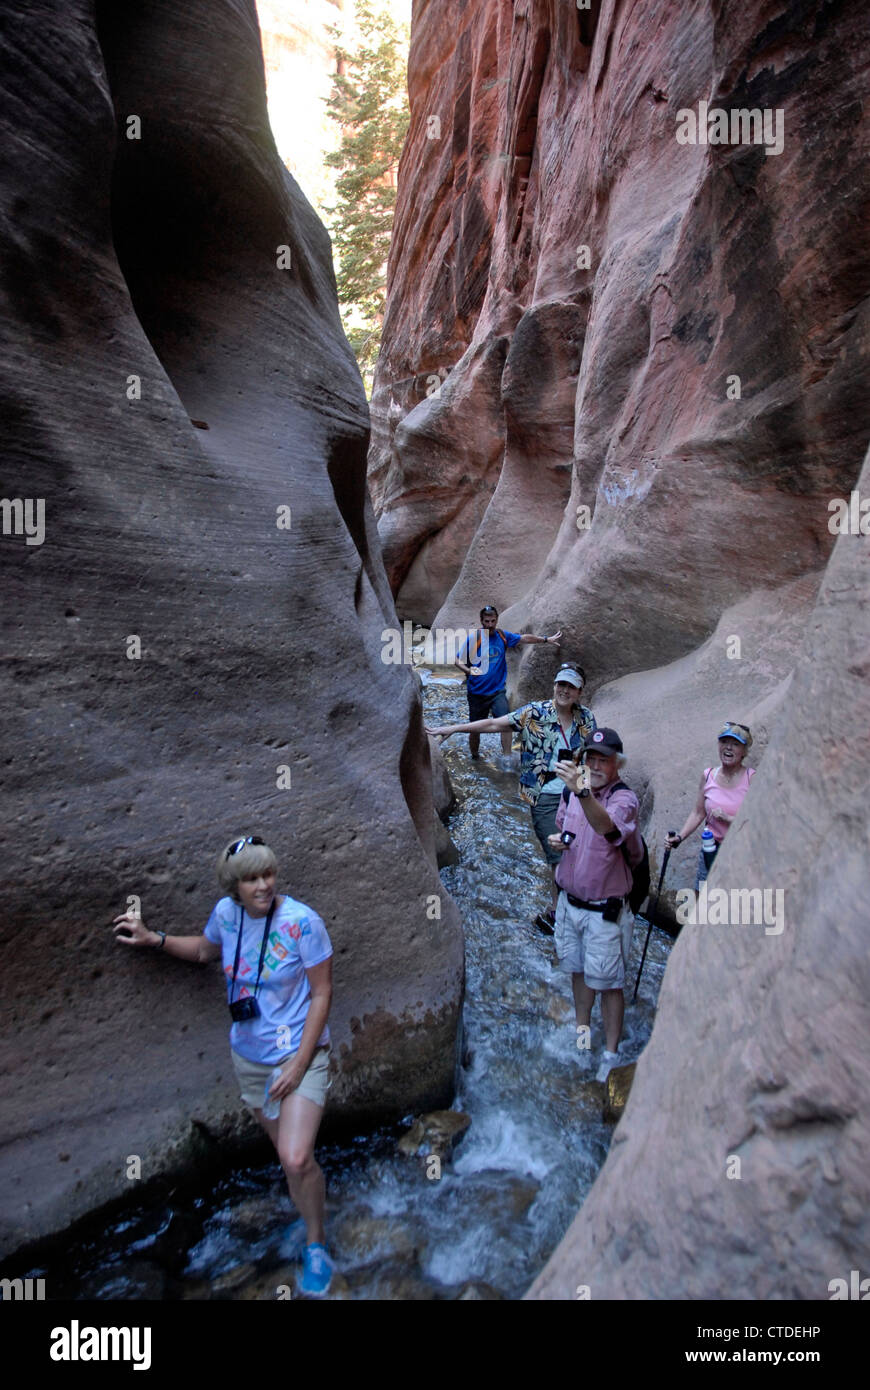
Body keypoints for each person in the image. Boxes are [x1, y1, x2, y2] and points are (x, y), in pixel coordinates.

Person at [112, 834, 336, 1297]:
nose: (264, 885)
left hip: (299, 1055)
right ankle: (307, 1215)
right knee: (288, 1160)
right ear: (234, 885)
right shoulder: (225, 916)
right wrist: (155, 939)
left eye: (268, 874)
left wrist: (298, 1064)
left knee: (297, 1157)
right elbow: (204, 952)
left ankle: (316, 1242)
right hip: (249, 1058)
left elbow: (322, 993)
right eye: (252, 878)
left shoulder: (303, 922)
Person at [428, 664, 596, 932]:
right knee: (557, 856)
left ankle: (573, 906)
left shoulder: (586, 718)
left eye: (570, 686)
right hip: (544, 796)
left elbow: (589, 758)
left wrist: (587, 792)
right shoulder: (535, 713)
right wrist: (454, 727)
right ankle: (557, 912)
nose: (564, 690)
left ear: (579, 691)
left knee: (575, 850)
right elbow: (495, 723)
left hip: (575, 794)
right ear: (554, 685)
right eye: (560, 684)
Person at [548, 728, 643, 1083]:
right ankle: (583, 1034)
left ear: (617, 763)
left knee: (609, 983)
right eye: (591, 758)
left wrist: (583, 791)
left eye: (604, 759)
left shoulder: (624, 799)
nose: (596, 765)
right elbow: (567, 829)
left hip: (605, 910)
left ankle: (611, 1053)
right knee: (578, 971)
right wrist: (560, 841)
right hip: (570, 904)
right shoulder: (571, 794)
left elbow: (606, 828)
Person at [454, 604, 562, 758]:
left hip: (497, 691)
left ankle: (506, 758)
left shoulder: (502, 636)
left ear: (497, 620)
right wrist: (468, 670)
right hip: (477, 693)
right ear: (481, 621)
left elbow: (524, 638)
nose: (490, 625)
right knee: (474, 729)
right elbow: (457, 659)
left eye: (492, 621)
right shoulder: (475, 638)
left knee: (506, 724)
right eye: (486, 621)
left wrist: (546, 639)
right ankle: (475, 757)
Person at [665, 721, 756, 888]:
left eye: (735, 744)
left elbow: (758, 820)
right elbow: (698, 812)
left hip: (740, 852)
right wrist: (679, 837)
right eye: (724, 742)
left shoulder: (752, 779)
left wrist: (728, 818)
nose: (728, 748)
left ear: (744, 751)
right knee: (705, 901)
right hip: (710, 849)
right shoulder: (708, 776)